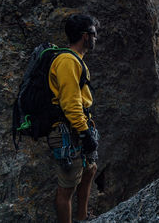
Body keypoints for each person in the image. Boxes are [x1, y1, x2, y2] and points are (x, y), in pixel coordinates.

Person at [47, 14, 100, 223]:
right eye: (94, 34)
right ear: (85, 36)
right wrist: (84, 132)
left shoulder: (76, 61)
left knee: (90, 169)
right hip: (67, 130)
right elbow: (70, 103)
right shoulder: (67, 61)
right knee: (67, 187)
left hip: (76, 127)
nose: (96, 38)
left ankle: (83, 217)